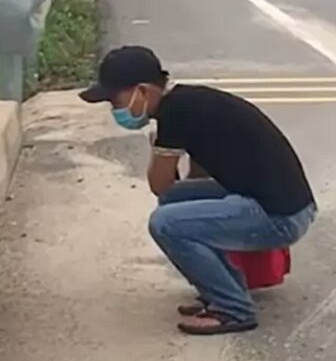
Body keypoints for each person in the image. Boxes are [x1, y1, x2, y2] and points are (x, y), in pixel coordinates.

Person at [79, 46, 316, 335]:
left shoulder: (175, 115)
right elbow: (187, 181)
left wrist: (158, 147)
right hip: (287, 205)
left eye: (116, 100)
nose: (115, 109)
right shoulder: (189, 102)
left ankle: (233, 309)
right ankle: (223, 289)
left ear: (143, 91)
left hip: (279, 217)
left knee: (165, 223)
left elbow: (159, 183)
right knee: (175, 204)